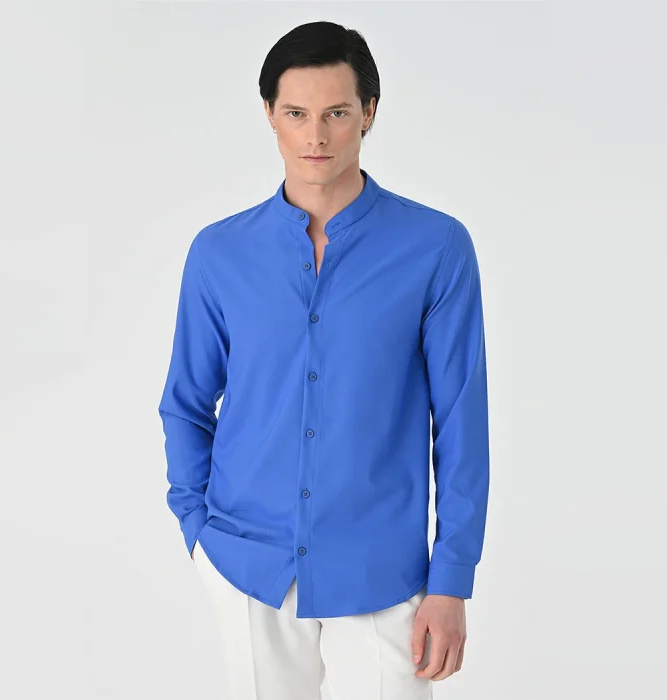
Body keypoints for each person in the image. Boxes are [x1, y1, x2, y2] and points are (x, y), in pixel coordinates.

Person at [158, 20, 490, 700]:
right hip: (247, 564)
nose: (316, 136)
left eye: (336, 113)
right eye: (296, 114)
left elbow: (460, 422)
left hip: (382, 570)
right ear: (269, 115)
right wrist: (199, 532)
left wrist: (452, 579)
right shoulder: (219, 254)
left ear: (369, 112)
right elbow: (186, 404)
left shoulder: (435, 248)